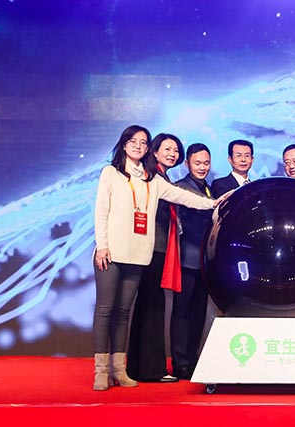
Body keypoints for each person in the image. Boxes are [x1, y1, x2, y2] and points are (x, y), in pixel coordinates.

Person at [92, 126, 219, 391]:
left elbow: (184, 197)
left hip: (138, 255)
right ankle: (101, 371)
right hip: (111, 252)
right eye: (134, 141)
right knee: (105, 310)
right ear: (124, 144)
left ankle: (119, 369)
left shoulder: (152, 179)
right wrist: (102, 246)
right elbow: (101, 211)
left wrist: (214, 203)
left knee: (123, 313)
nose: (138, 146)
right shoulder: (111, 173)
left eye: (143, 142)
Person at [126, 133, 186, 383]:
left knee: (148, 304)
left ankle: (138, 367)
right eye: (167, 149)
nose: (172, 154)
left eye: (175, 150)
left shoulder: (161, 176)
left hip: (156, 248)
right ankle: (151, 369)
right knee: (152, 305)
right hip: (152, 249)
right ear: (154, 151)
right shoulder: (152, 177)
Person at [170, 143, 213, 380]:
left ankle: (192, 358)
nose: (202, 167)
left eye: (206, 163)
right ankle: (180, 363)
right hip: (185, 260)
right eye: (197, 163)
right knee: (182, 313)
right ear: (187, 163)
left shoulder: (208, 188)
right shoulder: (180, 188)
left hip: (203, 263)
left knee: (198, 314)